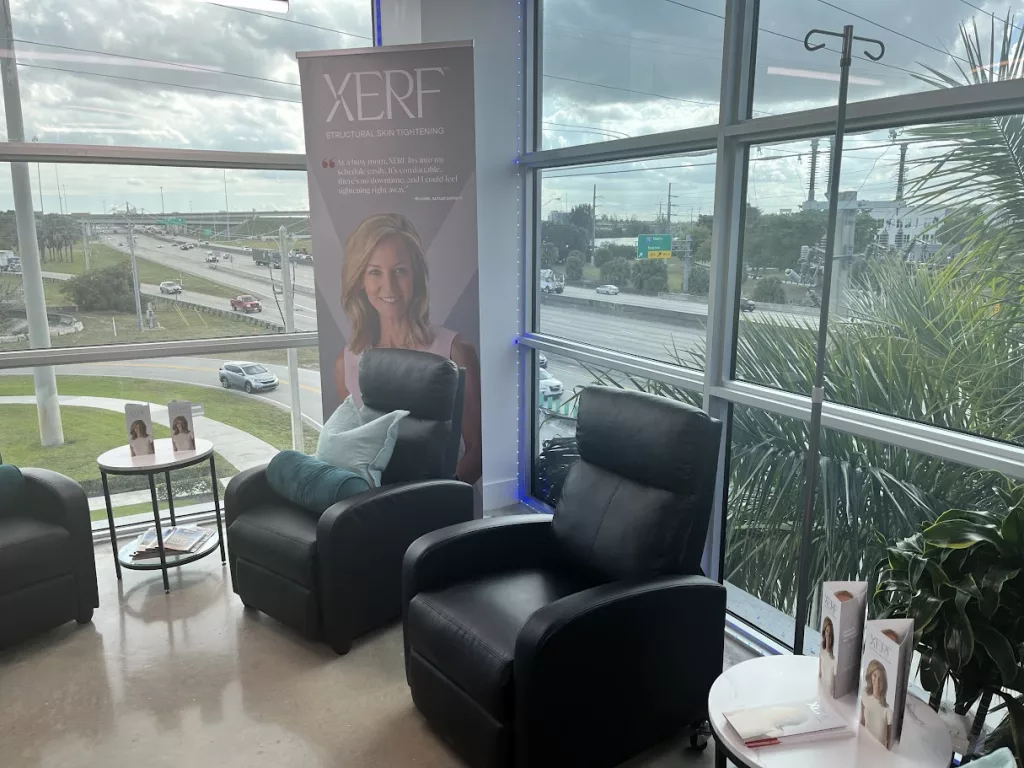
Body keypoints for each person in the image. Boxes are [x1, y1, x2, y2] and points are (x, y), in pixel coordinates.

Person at [334, 213, 482, 485]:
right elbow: (356, 454)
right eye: (375, 272)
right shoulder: (348, 362)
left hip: (441, 509)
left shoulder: (455, 352)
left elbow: (477, 453)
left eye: (400, 270)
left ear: (417, 276)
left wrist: (428, 503)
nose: (388, 286)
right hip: (374, 508)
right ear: (360, 281)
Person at [861, 659, 892, 748]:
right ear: (870, 676)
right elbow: (861, 722)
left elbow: (889, 744)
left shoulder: (888, 711)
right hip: (863, 746)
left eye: (880, 679)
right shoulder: (865, 695)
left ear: (884, 682)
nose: (877, 682)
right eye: (875, 676)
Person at [819, 616, 836, 696]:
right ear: (824, 632)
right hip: (821, 690)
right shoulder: (822, 652)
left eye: (830, 632)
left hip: (830, 694)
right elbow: (820, 674)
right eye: (826, 631)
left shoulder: (834, 658)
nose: (828, 634)